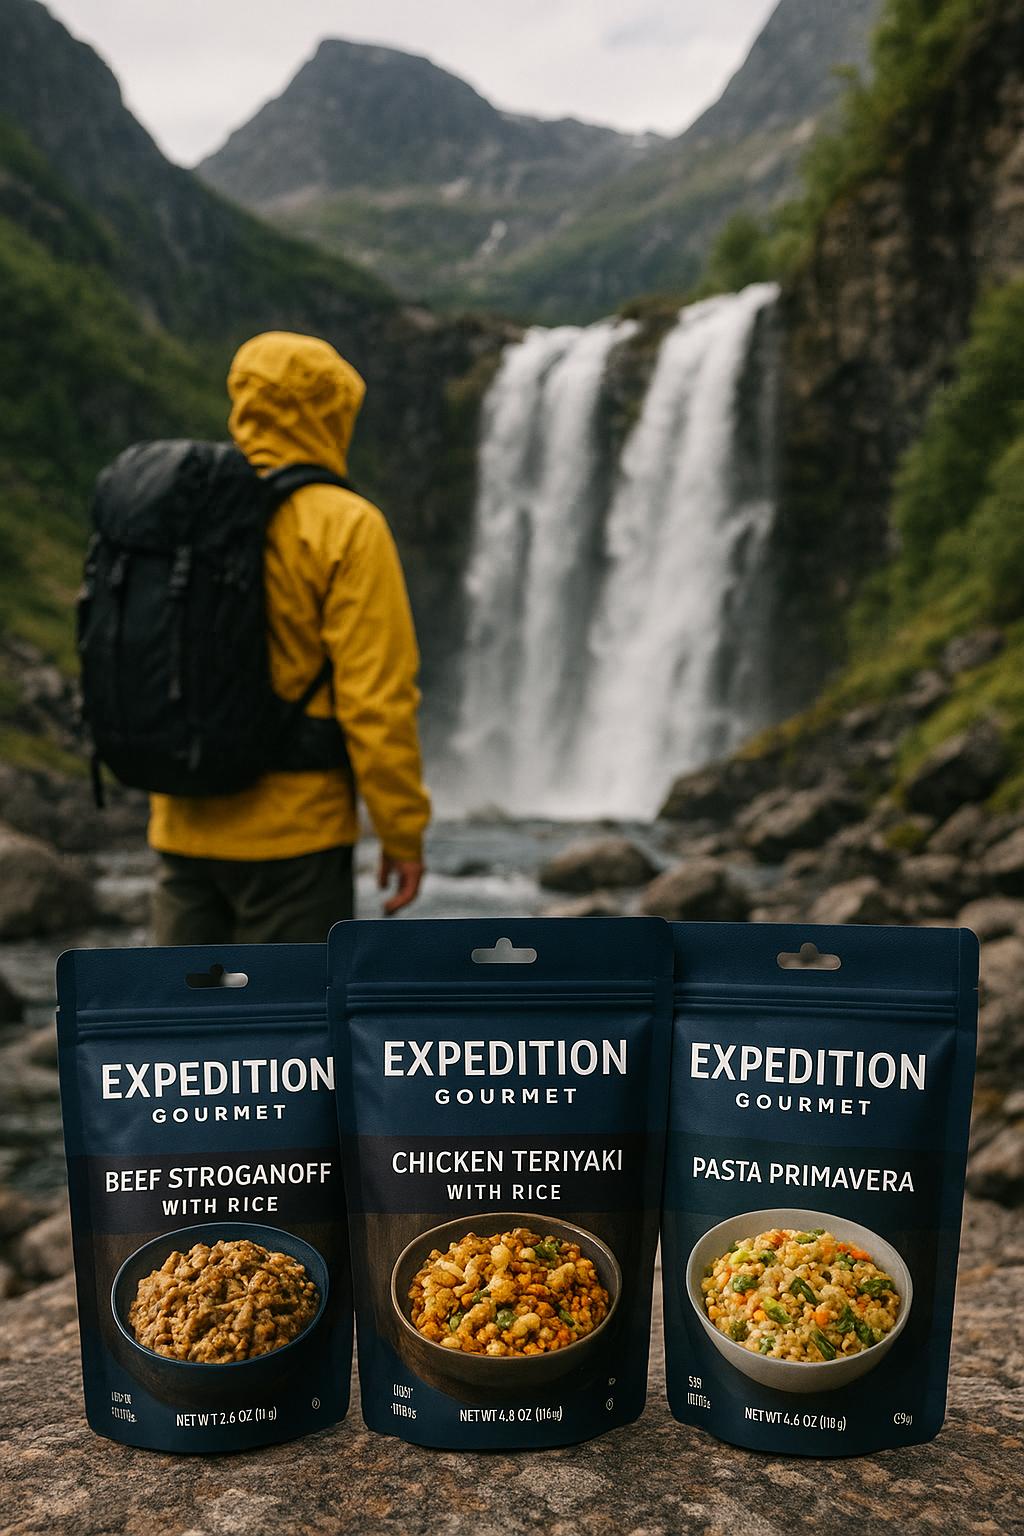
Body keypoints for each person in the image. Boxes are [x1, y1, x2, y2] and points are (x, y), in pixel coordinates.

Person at [148, 331, 430, 943]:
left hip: (183, 822)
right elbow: (376, 700)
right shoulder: (345, 524)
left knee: (178, 1007)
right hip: (296, 837)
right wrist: (401, 832)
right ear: (333, 412)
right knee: (290, 1007)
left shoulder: (177, 505)